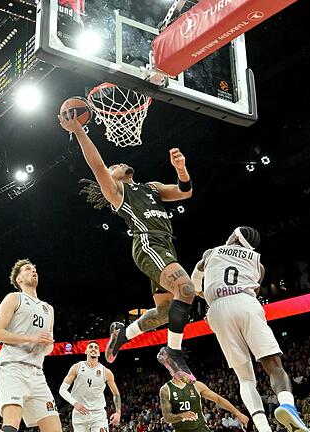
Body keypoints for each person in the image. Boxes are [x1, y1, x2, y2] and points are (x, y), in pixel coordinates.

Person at [58, 111, 196, 382]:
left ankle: (123, 334)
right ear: (111, 178)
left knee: (166, 311)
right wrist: (78, 131)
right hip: (148, 243)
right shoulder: (118, 193)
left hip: (166, 245)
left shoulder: (152, 187)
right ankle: (173, 352)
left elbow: (184, 192)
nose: (117, 164)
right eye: (113, 167)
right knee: (187, 288)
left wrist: (181, 169)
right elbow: (98, 166)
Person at [191, 226, 306, 432]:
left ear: (234, 236)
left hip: (217, 309)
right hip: (246, 302)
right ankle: (287, 405)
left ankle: (262, 427)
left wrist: (200, 291)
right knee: (273, 364)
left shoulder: (211, 252)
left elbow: (195, 278)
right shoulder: (258, 263)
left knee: (245, 377)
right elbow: (256, 285)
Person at [0, 259, 61, 432]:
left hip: (37, 373)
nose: (33, 271)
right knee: (11, 426)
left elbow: (48, 348)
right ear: (18, 279)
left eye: (35, 269)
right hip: (13, 368)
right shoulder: (14, 298)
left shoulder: (48, 308)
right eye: (28, 269)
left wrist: (47, 344)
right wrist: (32, 338)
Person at [59, 341, 122, 432]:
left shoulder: (106, 372)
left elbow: (116, 394)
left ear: (99, 353)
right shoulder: (76, 367)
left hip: (98, 415)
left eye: (96, 348)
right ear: (86, 351)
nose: (93, 349)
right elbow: (62, 390)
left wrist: (118, 413)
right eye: (91, 347)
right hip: (80, 414)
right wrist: (75, 403)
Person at [158, 372, 249, 432]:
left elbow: (218, 399)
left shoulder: (196, 385)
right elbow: (167, 417)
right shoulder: (166, 389)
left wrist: (237, 413)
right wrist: (182, 415)